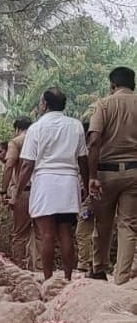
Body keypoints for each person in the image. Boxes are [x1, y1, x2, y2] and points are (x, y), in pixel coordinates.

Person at [15, 88, 88, 281]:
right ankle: (67, 278)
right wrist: (86, 185)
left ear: (44, 104)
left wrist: (18, 191)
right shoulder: (75, 126)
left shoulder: (36, 128)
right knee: (65, 233)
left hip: (45, 182)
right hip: (68, 183)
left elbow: (27, 165)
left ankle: (47, 280)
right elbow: (83, 159)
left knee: (46, 234)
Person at [88, 66, 137, 283]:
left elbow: (94, 141)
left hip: (106, 173)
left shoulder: (104, 104)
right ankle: (122, 278)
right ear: (132, 84)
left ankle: (99, 269)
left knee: (103, 223)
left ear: (112, 85)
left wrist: (91, 176)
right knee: (128, 225)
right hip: (135, 171)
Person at [0, 116, 38, 270]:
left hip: (23, 193)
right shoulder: (40, 138)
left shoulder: (16, 142)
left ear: (17, 128)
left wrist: (3, 191)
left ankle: (19, 270)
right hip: (41, 192)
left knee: (20, 234)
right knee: (39, 234)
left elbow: (9, 166)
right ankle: (37, 268)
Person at [77, 116, 95, 274]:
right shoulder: (102, 148)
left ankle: (85, 263)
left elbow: (85, 174)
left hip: (90, 196)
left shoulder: (88, 151)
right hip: (98, 194)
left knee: (83, 231)